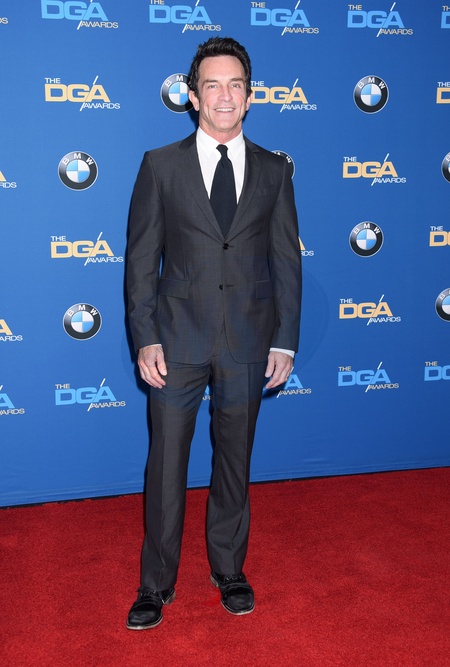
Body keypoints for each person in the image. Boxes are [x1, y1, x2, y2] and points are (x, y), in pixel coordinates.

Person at [126, 36, 302, 630]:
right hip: (175, 340)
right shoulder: (161, 165)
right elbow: (141, 260)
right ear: (192, 95)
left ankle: (229, 569)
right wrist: (145, 336)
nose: (224, 96)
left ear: (249, 97)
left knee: (234, 462)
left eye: (235, 85)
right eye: (212, 85)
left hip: (249, 340)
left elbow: (286, 260)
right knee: (165, 466)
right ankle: (156, 583)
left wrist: (285, 339)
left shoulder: (276, 170)